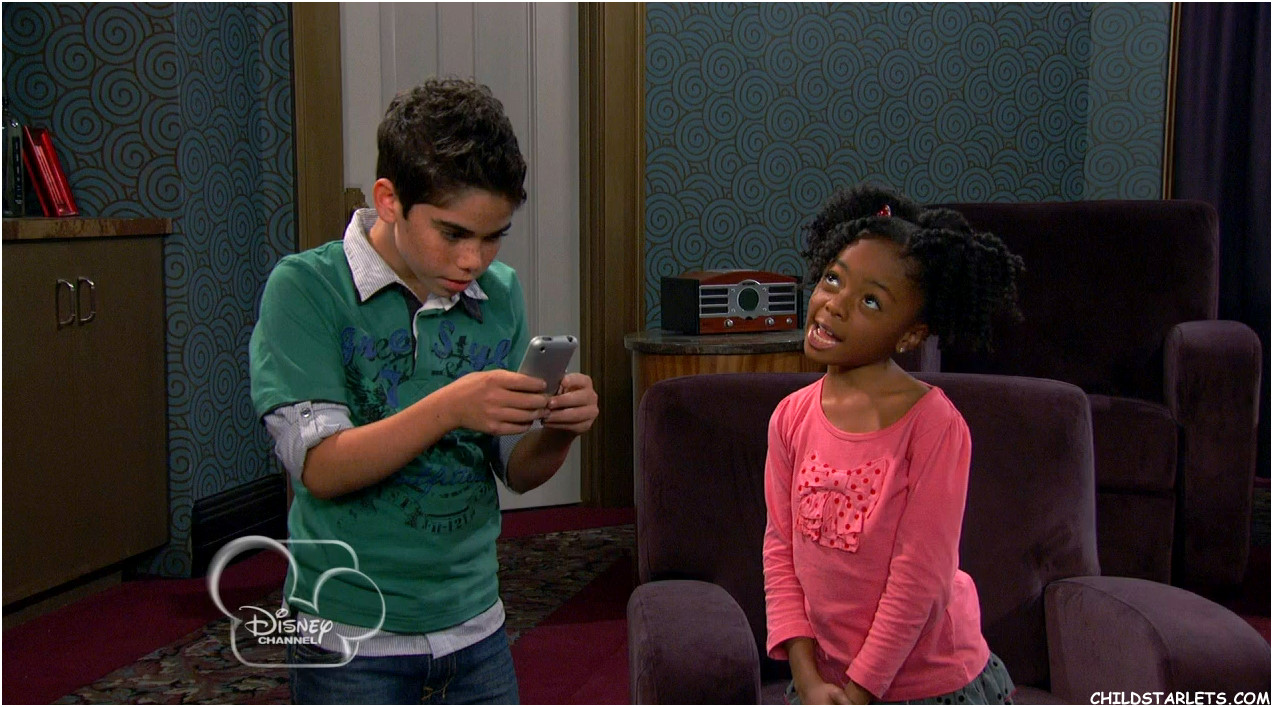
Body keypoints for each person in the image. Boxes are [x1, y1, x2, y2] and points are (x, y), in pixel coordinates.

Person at [249, 77, 598, 704]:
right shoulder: (305, 289)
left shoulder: (499, 295)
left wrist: (560, 431)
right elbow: (321, 469)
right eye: (453, 233)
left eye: (493, 236)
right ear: (389, 200)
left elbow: (516, 470)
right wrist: (452, 405)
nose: (474, 260)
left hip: (476, 623)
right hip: (351, 632)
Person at [763, 184, 1023, 705]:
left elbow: (920, 580)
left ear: (909, 335)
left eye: (870, 301)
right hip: (824, 683)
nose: (835, 305)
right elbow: (780, 552)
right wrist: (808, 678)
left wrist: (861, 691)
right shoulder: (790, 417)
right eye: (833, 279)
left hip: (929, 685)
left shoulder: (934, 426)